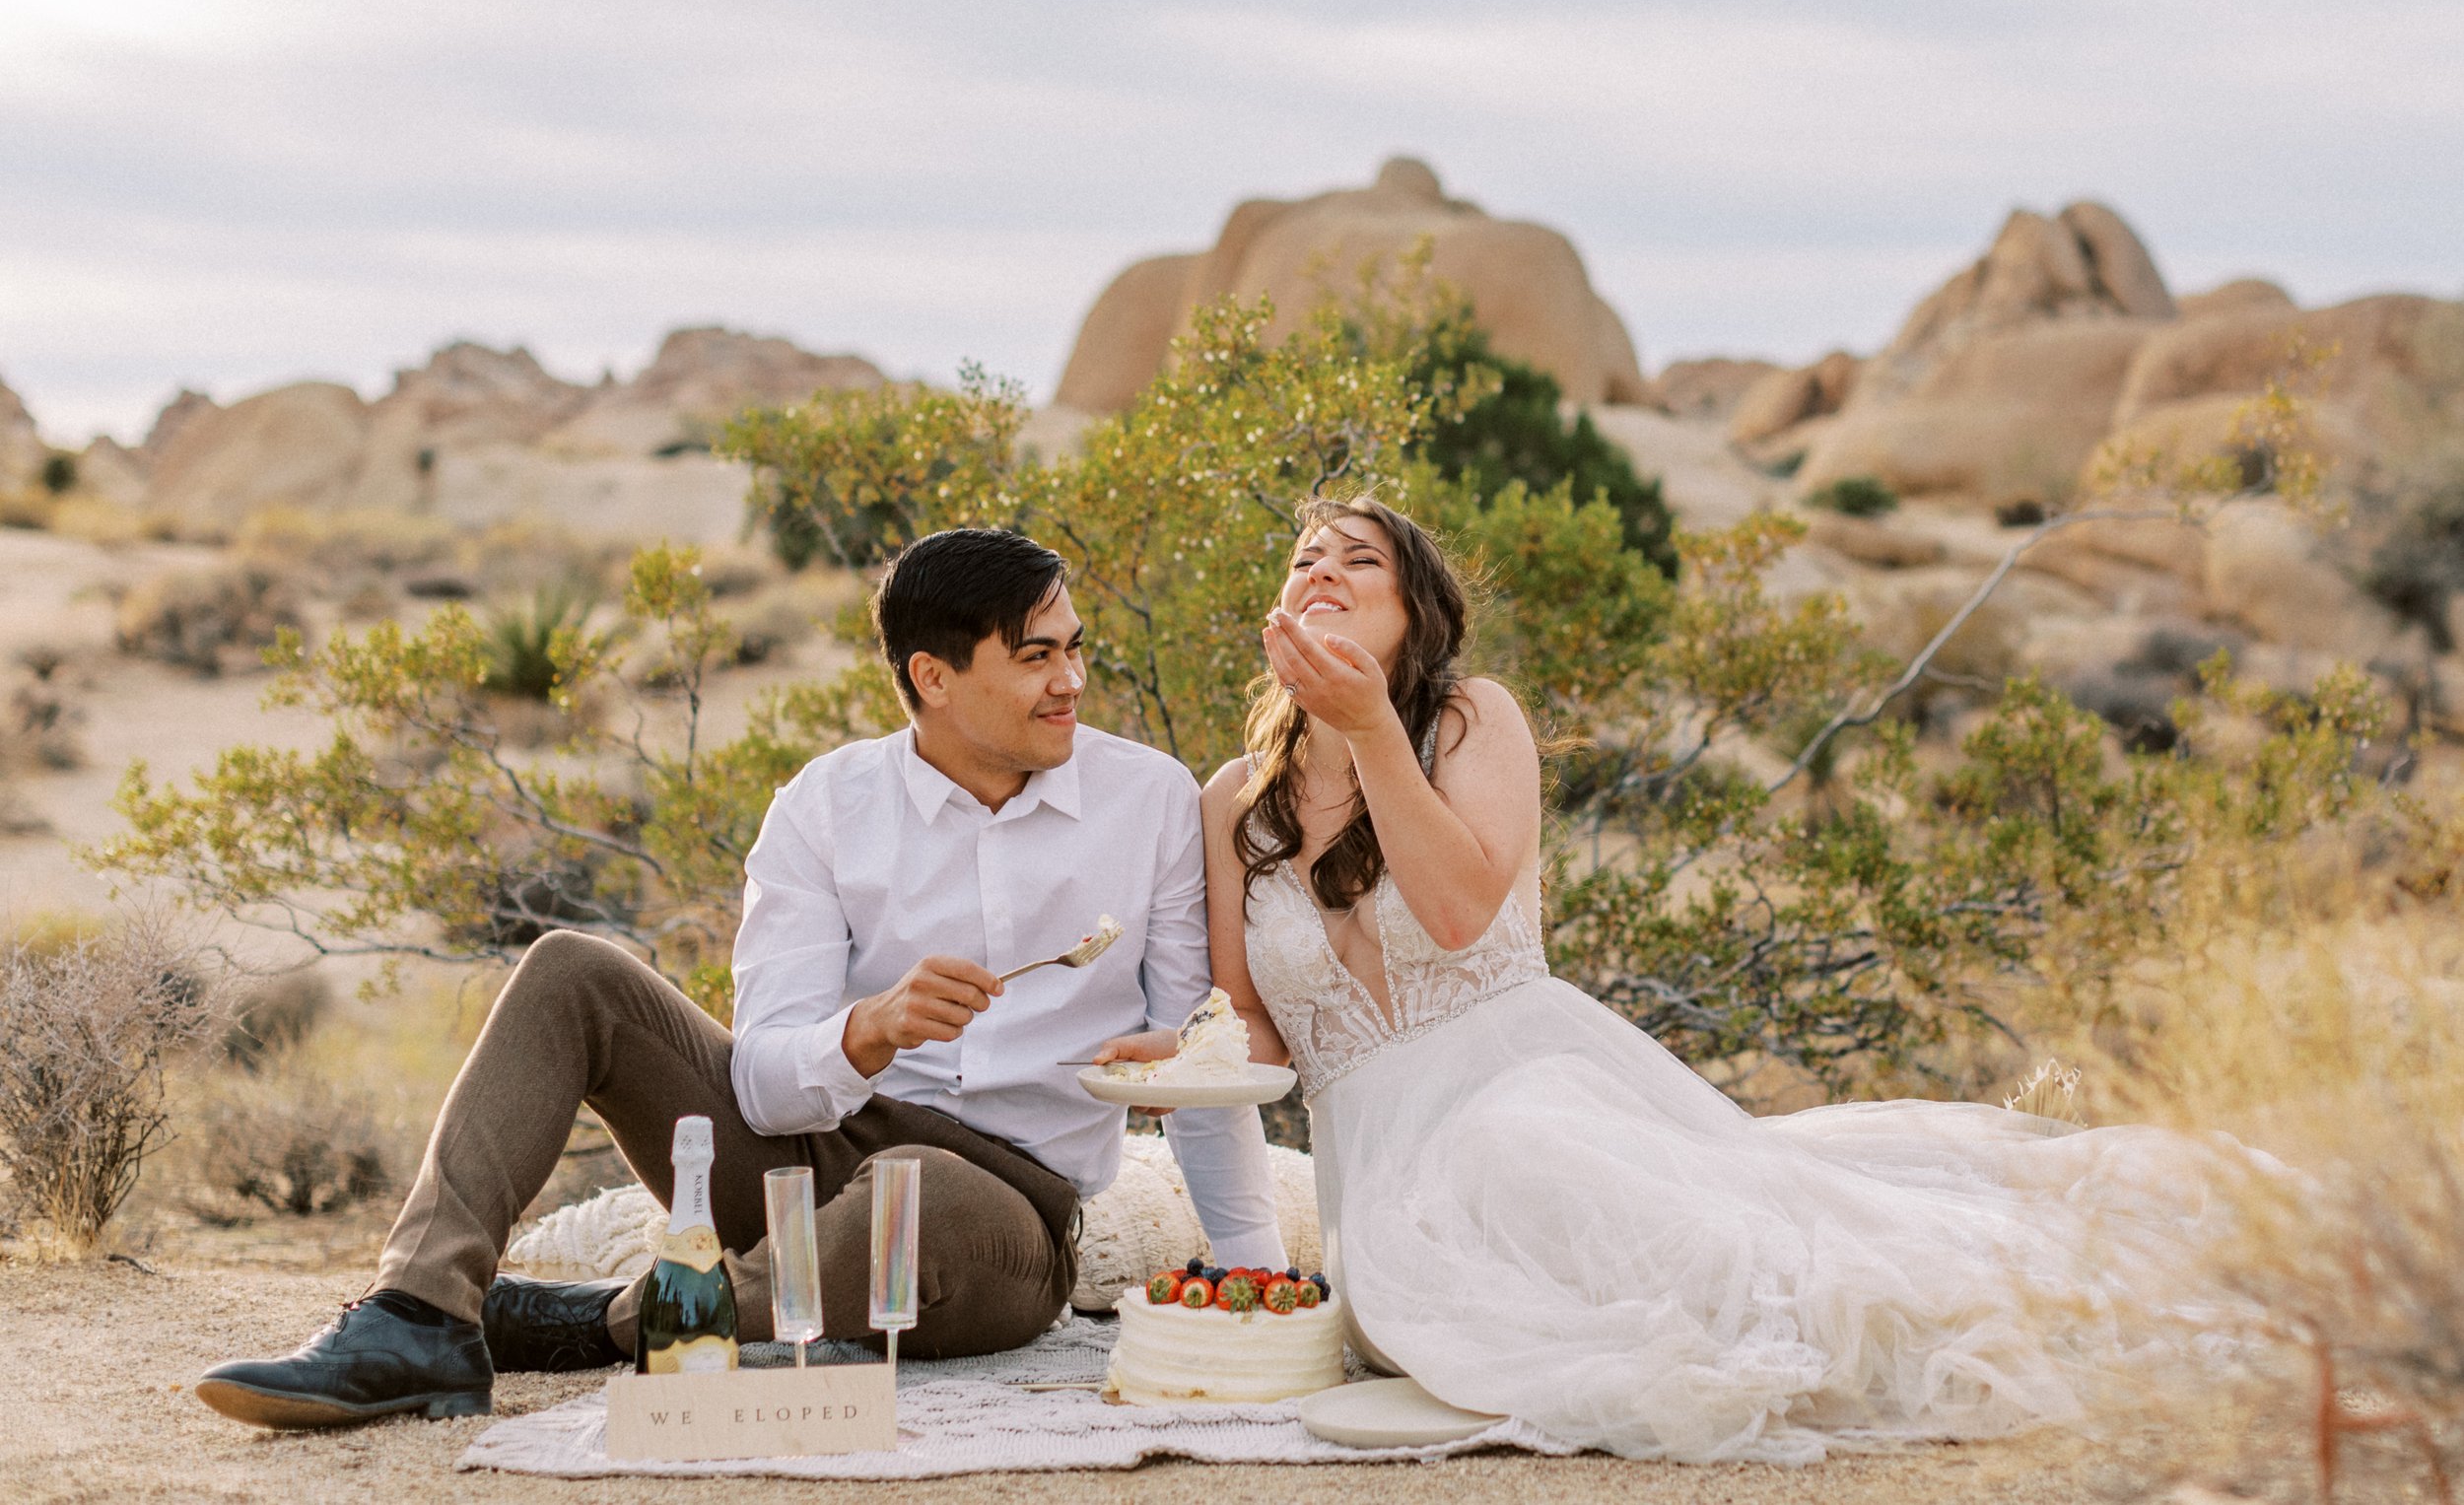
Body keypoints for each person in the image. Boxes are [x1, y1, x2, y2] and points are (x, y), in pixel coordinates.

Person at [1198, 494, 2234, 1464]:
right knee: (1434, 1309)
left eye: (1358, 558)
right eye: (1303, 560)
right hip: (1378, 1171)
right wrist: (1176, 1051)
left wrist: (1375, 729)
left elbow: (1460, 914)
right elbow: (1252, 1024)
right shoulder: (1231, 801)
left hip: (1522, 1081)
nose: (1322, 568)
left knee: (1546, 1168)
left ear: (1415, 613)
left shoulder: (1469, 719)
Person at [198, 527, 1285, 1430]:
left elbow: (1199, 1057)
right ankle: (417, 1314)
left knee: (923, 1192)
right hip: (806, 1155)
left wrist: (1260, 1283)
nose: (1073, 681)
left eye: (1075, 648)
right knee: (573, 969)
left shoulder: (1146, 799)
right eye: (1038, 656)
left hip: (1004, 1211)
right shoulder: (824, 806)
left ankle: (603, 1322)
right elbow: (762, 1081)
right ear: (934, 677)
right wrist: (864, 1032)